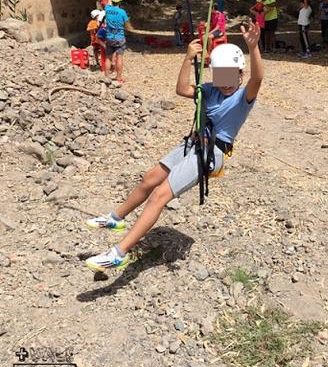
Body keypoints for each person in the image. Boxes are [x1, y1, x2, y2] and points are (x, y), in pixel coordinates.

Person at [84, 20, 264, 271]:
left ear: (239, 74)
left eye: (230, 74)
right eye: (220, 73)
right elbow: (181, 89)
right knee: (150, 179)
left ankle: (119, 253)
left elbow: (259, 77)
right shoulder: (210, 89)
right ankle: (116, 218)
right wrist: (188, 57)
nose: (225, 81)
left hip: (212, 152)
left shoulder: (242, 97)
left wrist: (253, 48)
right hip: (192, 143)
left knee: (160, 195)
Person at [104, 0, 133, 83]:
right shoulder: (122, 12)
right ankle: (118, 77)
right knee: (119, 57)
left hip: (109, 37)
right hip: (119, 37)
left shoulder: (107, 9)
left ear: (112, 1)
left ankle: (107, 77)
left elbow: (108, 1)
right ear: (120, 2)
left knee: (108, 57)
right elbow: (127, 24)